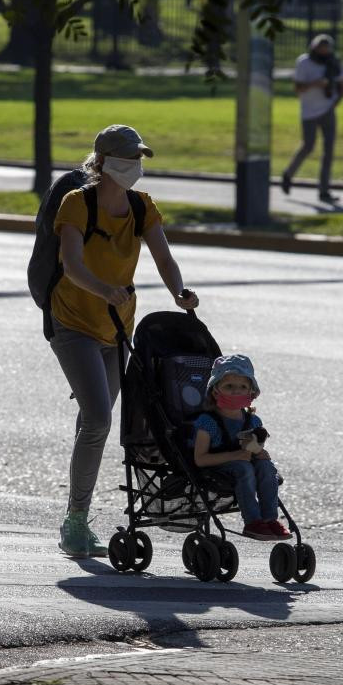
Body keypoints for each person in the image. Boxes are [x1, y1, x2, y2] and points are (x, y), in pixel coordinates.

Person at [50, 124, 199, 558]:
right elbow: (72, 264)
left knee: (91, 420)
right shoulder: (77, 204)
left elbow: (163, 256)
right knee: (98, 420)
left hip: (117, 327)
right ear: (102, 163)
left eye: (138, 159)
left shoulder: (141, 205)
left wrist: (179, 291)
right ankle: (75, 521)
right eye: (126, 159)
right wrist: (102, 289)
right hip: (74, 322)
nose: (134, 167)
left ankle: (75, 513)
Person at [191, 354, 290, 542]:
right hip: (216, 466)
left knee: (267, 467)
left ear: (251, 393)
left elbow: (252, 449)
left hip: (243, 462)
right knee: (243, 467)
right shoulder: (207, 422)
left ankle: (269, 519)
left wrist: (259, 452)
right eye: (229, 386)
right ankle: (253, 522)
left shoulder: (252, 421)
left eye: (243, 387)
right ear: (215, 391)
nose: (236, 392)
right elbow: (200, 459)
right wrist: (237, 454)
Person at [281, 33, 343, 204]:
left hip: (327, 110)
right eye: (321, 49)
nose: (324, 52)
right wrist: (315, 84)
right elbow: (298, 89)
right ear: (314, 48)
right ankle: (288, 174)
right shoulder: (304, 62)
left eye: (327, 49)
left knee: (328, 152)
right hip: (309, 112)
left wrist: (335, 103)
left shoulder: (334, 63)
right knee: (308, 146)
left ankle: (324, 190)